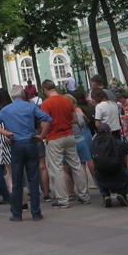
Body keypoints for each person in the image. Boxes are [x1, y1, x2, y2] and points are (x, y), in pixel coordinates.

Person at [0, 88, 51, 221]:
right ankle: (36, 212)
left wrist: (6, 133)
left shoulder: (6, 110)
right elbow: (47, 119)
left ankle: (17, 213)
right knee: (33, 179)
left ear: (13, 97)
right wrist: (41, 136)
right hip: (30, 143)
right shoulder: (30, 106)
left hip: (16, 144)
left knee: (17, 180)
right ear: (23, 95)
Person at [40, 80, 90, 208]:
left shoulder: (46, 103)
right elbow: (74, 119)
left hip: (54, 138)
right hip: (69, 135)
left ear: (45, 89)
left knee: (57, 169)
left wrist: (42, 136)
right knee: (76, 165)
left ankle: (63, 199)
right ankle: (84, 196)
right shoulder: (66, 100)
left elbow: (45, 123)